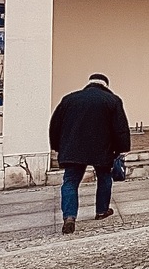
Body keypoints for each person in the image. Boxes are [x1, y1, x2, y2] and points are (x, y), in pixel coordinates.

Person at [49, 73, 130, 235]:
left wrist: (57, 146)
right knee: (104, 177)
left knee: (70, 181)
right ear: (105, 85)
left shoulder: (69, 99)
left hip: (73, 148)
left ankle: (69, 217)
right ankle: (102, 211)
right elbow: (120, 128)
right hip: (102, 148)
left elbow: (55, 125)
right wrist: (122, 149)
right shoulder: (112, 100)